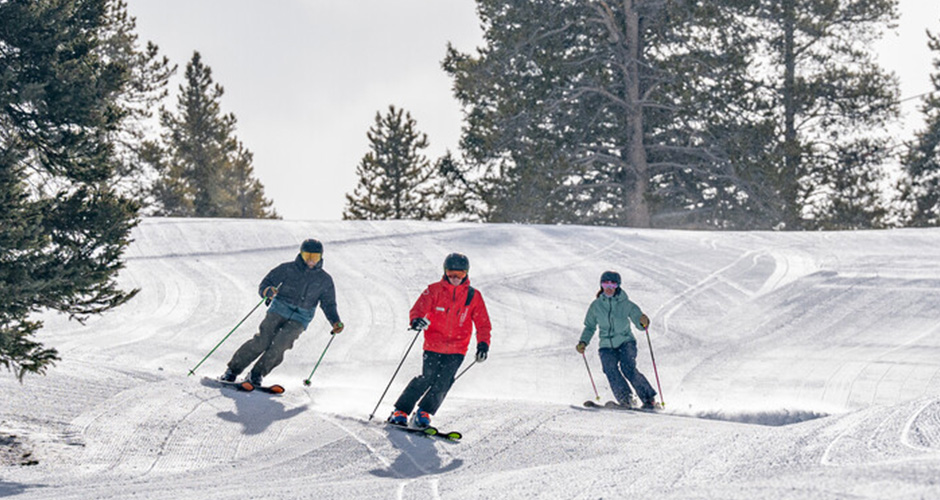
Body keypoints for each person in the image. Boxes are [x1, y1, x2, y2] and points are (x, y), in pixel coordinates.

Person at [222, 238, 343, 389]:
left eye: (315, 257)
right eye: (307, 257)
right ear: (301, 255)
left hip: (301, 318)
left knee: (281, 344)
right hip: (279, 309)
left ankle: (256, 374)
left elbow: (329, 304)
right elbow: (266, 283)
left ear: (320, 257)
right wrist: (267, 291)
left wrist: (335, 322)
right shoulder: (287, 269)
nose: (311, 261)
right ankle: (232, 370)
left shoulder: (324, 280)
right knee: (262, 341)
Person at [388, 253, 492, 428]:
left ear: (466, 274)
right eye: (451, 273)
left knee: (444, 381)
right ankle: (401, 411)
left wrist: (483, 344)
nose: (455, 278)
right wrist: (416, 321)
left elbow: (483, 324)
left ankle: (423, 413)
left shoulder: (473, 296)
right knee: (426, 378)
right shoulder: (434, 290)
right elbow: (418, 309)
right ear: (445, 272)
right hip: (433, 345)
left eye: (460, 275)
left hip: (457, 348)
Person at [577, 270, 658, 409]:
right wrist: (583, 342)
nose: (609, 288)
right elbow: (590, 327)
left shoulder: (626, 304)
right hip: (606, 345)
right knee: (610, 369)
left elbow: (639, 321)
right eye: (605, 284)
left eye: (613, 284)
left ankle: (648, 399)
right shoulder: (596, 306)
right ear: (601, 285)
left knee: (628, 368)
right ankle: (626, 399)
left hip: (626, 342)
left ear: (618, 286)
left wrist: (643, 322)